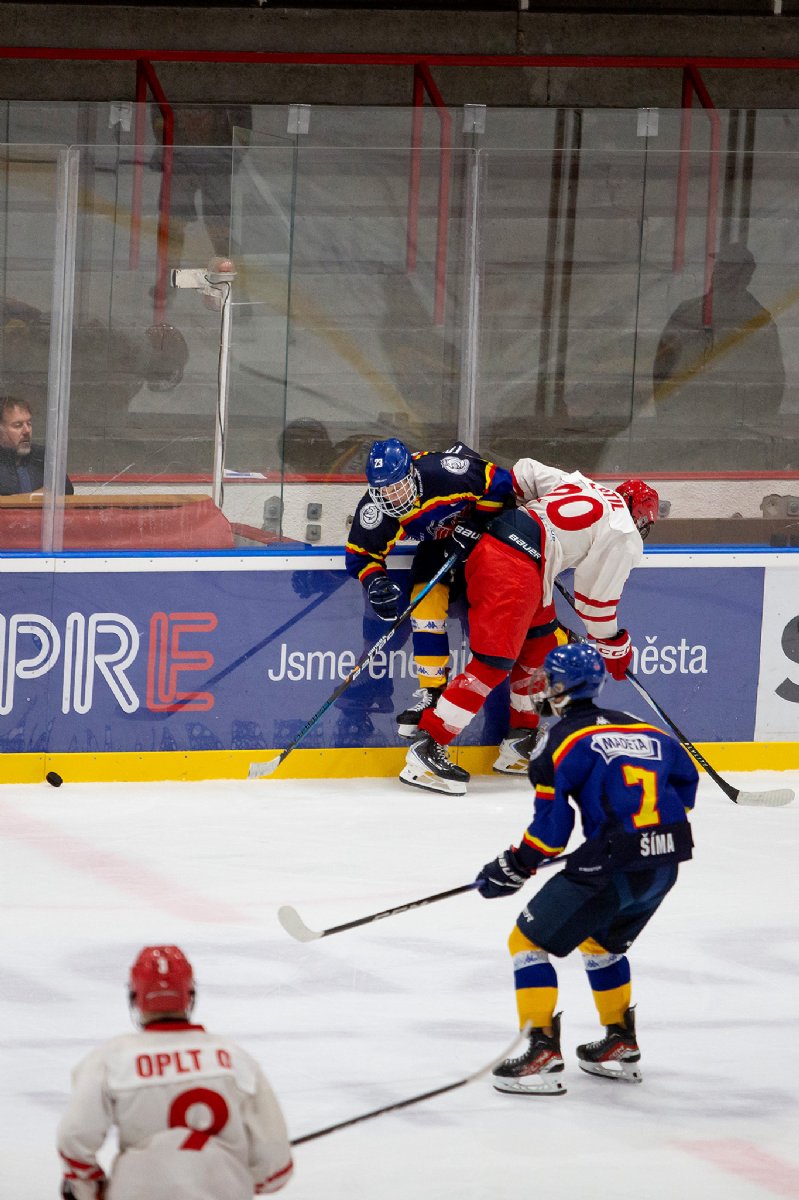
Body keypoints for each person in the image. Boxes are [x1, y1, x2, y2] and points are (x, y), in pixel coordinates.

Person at [475, 642, 698, 1095]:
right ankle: (620, 1041)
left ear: (561, 688)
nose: (542, 686)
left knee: (527, 941)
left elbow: (551, 833)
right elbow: (684, 787)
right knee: (601, 942)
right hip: (666, 860)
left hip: (614, 865)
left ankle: (540, 1051)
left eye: (548, 679)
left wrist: (515, 865)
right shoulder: (643, 728)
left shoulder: (559, 741)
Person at [400, 458, 659, 795]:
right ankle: (429, 744)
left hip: (513, 554)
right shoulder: (624, 530)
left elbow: (523, 472)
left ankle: (520, 740)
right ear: (641, 518)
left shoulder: (585, 484)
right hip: (512, 567)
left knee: (541, 645)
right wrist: (614, 645)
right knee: (492, 664)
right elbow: (594, 605)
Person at [345, 437, 525, 775]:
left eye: (397, 487)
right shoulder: (375, 508)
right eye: (383, 490)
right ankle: (432, 691)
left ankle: (513, 721)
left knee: (492, 634)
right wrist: (375, 582)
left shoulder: (444, 473)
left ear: (411, 474)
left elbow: (501, 482)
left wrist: (476, 523)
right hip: (440, 543)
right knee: (424, 603)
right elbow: (360, 556)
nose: (391, 497)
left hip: (490, 535)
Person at [57, 945, 293, 1199]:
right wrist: (231, 1179)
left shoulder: (110, 1059)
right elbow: (275, 1166)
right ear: (190, 995)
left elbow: (74, 1139)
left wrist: (90, 1188)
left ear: (135, 997)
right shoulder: (235, 1058)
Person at [0, 395, 74, 496]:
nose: (27, 430)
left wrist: (27, 498)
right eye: (18, 425)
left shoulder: (43, 455)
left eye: (29, 423)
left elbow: (65, 490)